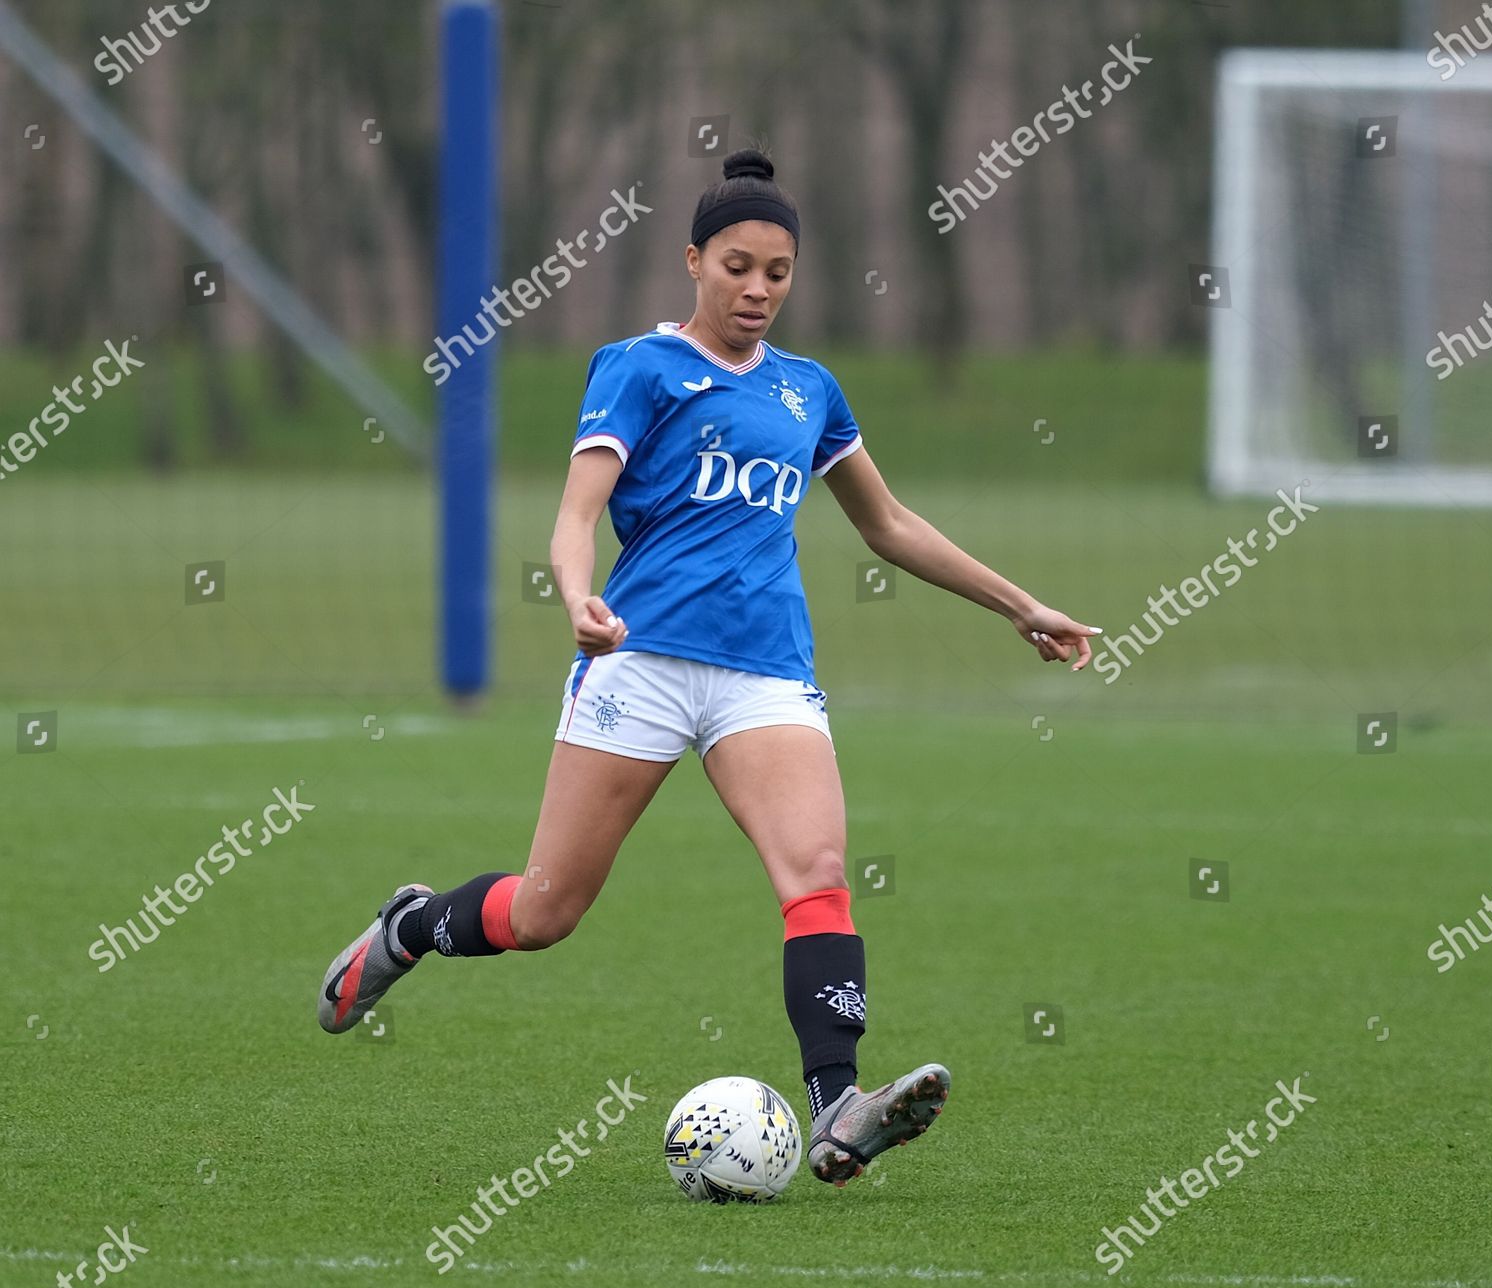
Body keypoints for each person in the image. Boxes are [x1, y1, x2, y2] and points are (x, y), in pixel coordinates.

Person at [319, 147, 1100, 1188]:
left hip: (765, 673)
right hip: (636, 662)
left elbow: (891, 523)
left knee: (816, 874)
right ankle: (409, 926)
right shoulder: (638, 368)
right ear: (694, 261)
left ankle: (839, 1107)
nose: (758, 289)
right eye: (738, 266)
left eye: (778, 272)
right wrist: (574, 593)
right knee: (544, 911)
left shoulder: (807, 390)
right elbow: (575, 514)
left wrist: (1021, 604)